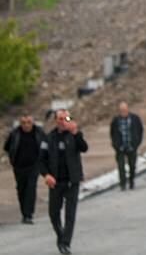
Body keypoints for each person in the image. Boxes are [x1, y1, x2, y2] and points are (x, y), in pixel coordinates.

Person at [39, 109, 88, 255]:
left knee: (70, 215)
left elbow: (84, 148)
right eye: (60, 118)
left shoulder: (74, 135)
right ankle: (61, 237)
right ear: (56, 120)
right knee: (53, 213)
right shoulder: (49, 138)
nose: (63, 121)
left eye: (66, 118)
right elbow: (41, 160)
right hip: (56, 182)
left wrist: (76, 133)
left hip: (72, 181)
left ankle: (65, 244)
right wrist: (46, 175)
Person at [4, 113, 45, 224]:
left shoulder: (39, 132)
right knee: (21, 189)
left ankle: (29, 214)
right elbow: (7, 147)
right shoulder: (15, 133)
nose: (26, 125)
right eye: (23, 123)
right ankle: (24, 213)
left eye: (28, 123)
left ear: (33, 122)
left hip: (34, 166)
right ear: (20, 123)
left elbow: (46, 145)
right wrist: (13, 160)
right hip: (19, 167)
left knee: (31, 188)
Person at [110, 101, 144, 191]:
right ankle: (123, 184)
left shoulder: (135, 118)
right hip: (120, 148)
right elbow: (112, 133)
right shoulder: (116, 120)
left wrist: (137, 143)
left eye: (124, 110)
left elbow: (140, 130)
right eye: (121, 110)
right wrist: (116, 145)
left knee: (132, 165)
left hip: (131, 146)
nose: (123, 112)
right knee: (121, 166)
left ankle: (131, 181)